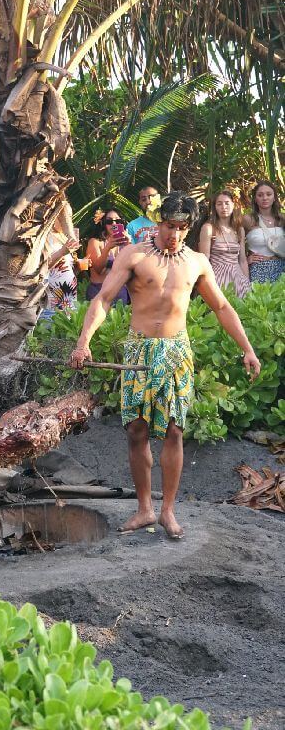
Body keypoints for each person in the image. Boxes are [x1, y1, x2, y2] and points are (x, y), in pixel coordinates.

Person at [70, 193, 260, 539]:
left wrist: (247, 349)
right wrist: (83, 342)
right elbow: (104, 299)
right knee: (137, 430)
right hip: (140, 351)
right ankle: (144, 508)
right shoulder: (135, 255)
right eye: (170, 226)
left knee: (174, 430)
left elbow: (221, 307)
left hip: (176, 352)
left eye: (182, 227)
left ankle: (168, 512)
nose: (175, 234)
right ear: (158, 222)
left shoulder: (197, 262)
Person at [198, 190, 250, 297]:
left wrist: (247, 281)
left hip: (238, 277)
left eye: (227, 203)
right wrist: (207, 284)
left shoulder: (239, 229)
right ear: (215, 207)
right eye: (219, 204)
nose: (224, 207)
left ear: (233, 205)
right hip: (217, 277)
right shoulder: (208, 228)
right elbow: (204, 260)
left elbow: (243, 260)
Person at [242, 181, 285, 283]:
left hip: (282, 269)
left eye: (268, 194)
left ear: (274, 198)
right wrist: (245, 259)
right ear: (256, 199)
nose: (265, 198)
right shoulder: (248, 219)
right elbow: (234, 241)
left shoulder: (282, 218)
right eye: (260, 195)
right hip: (258, 269)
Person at [86, 208, 131, 304]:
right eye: (109, 221)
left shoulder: (124, 243)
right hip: (100, 290)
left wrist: (128, 244)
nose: (114, 224)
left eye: (118, 221)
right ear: (103, 223)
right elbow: (98, 269)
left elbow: (133, 266)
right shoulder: (95, 242)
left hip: (120, 291)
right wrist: (107, 248)